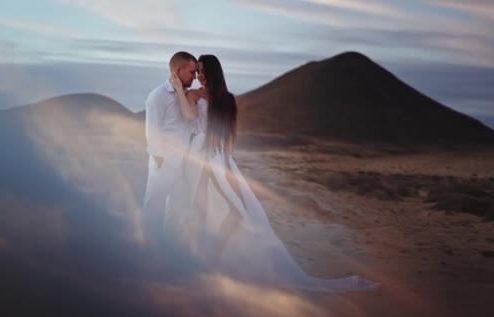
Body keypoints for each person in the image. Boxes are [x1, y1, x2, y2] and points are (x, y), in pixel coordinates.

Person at [167, 54, 380, 292]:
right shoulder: (192, 95)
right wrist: (177, 88)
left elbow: (226, 136)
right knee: (203, 208)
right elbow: (189, 117)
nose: (200, 76)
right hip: (199, 157)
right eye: (197, 71)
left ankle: (209, 258)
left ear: (214, 72)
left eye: (204, 71)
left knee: (239, 210)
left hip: (219, 157)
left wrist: (224, 161)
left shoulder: (227, 99)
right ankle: (201, 262)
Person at [142, 51, 198, 249]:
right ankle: (147, 251)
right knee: (153, 207)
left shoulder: (186, 95)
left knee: (175, 211)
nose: (195, 77)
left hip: (182, 164)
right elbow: (152, 129)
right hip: (163, 163)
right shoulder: (157, 96)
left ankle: (168, 251)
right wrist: (158, 159)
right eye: (192, 72)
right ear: (177, 70)